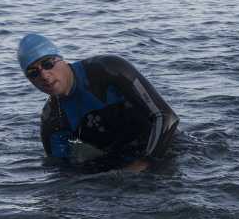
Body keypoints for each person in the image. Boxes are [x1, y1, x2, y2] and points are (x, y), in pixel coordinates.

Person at [17, 33, 178, 172]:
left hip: (165, 150)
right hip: (117, 169)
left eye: (47, 64)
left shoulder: (108, 69)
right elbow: (62, 172)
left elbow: (166, 117)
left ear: (61, 60)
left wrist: (145, 163)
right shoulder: (52, 120)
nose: (44, 76)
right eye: (33, 73)